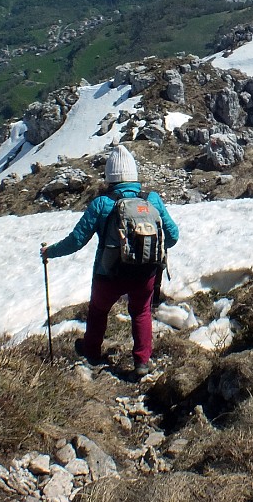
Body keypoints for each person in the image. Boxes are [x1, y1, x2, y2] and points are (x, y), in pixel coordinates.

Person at [41, 144, 179, 378]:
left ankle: (92, 351)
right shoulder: (152, 200)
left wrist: (49, 252)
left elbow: (76, 240)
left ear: (110, 176)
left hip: (108, 273)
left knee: (98, 310)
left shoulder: (101, 203)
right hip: (145, 273)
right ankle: (142, 362)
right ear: (134, 174)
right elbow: (173, 236)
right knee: (141, 312)